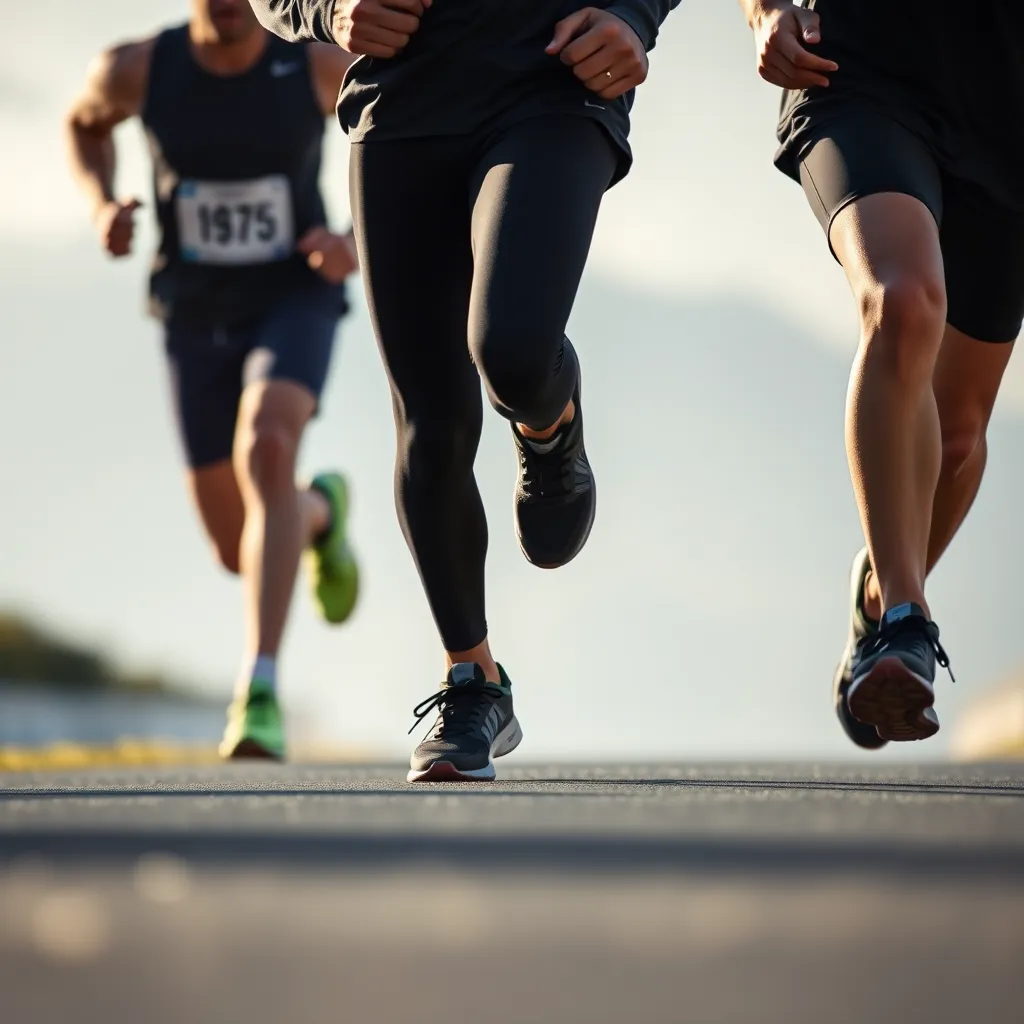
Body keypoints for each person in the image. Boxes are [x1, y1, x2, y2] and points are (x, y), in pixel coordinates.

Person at [249, 0, 680, 780]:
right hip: (402, 107)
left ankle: (551, 425)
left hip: (553, 81)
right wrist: (327, 10)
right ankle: (471, 681)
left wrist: (634, 14)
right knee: (432, 424)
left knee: (510, 351)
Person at [66, 0, 362, 761]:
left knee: (267, 442)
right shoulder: (137, 68)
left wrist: (354, 237)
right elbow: (85, 124)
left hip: (294, 297)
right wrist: (102, 205)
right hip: (192, 315)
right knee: (242, 548)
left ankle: (258, 692)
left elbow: (403, 127)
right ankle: (319, 511)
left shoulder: (315, 63)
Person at [740, 1, 1024, 746]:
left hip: (1007, 109)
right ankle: (903, 618)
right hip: (861, 67)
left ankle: (875, 593)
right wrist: (766, 11)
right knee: (901, 301)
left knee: (957, 441)